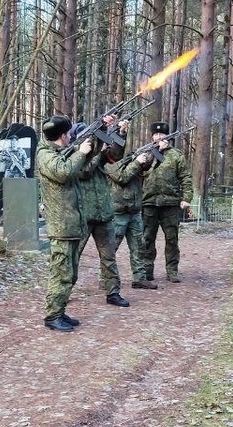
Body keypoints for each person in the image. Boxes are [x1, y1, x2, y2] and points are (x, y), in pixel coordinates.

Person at [36, 114, 93, 332]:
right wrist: (81, 153)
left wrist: (88, 149)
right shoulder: (45, 155)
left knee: (70, 273)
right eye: (68, 134)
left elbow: (80, 169)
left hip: (70, 224)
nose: (71, 137)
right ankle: (52, 316)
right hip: (61, 226)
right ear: (62, 136)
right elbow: (63, 172)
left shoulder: (59, 152)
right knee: (60, 273)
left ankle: (60, 310)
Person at [74, 116, 130, 307]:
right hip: (83, 214)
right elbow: (84, 171)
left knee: (109, 256)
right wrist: (96, 152)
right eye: (87, 138)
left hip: (103, 213)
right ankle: (64, 291)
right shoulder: (75, 156)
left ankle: (113, 292)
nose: (90, 141)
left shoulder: (99, 153)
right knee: (73, 255)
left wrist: (121, 132)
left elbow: (117, 155)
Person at [141, 121, 193, 283]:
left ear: (167, 136)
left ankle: (172, 270)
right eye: (156, 135)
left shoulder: (176, 155)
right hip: (149, 202)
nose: (159, 137)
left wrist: (186, 199)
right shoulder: (146, 153)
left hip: (170, 204)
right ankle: (147, 269)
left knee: (172, 238)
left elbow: (186, 178)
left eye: (162, 134)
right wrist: (155, 154)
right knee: (147, 238)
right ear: (152, 136)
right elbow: (139, 170)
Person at [104, 151, 158, 289]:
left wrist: (150, 156)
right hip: (118, 212)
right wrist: (136, 162)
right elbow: (122, 177)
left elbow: (145, 169)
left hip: (134, 211)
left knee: (139, 246)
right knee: (111, 247)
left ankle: (139, 278)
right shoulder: (109, 163)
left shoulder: (132, 160)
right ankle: (105, 278)